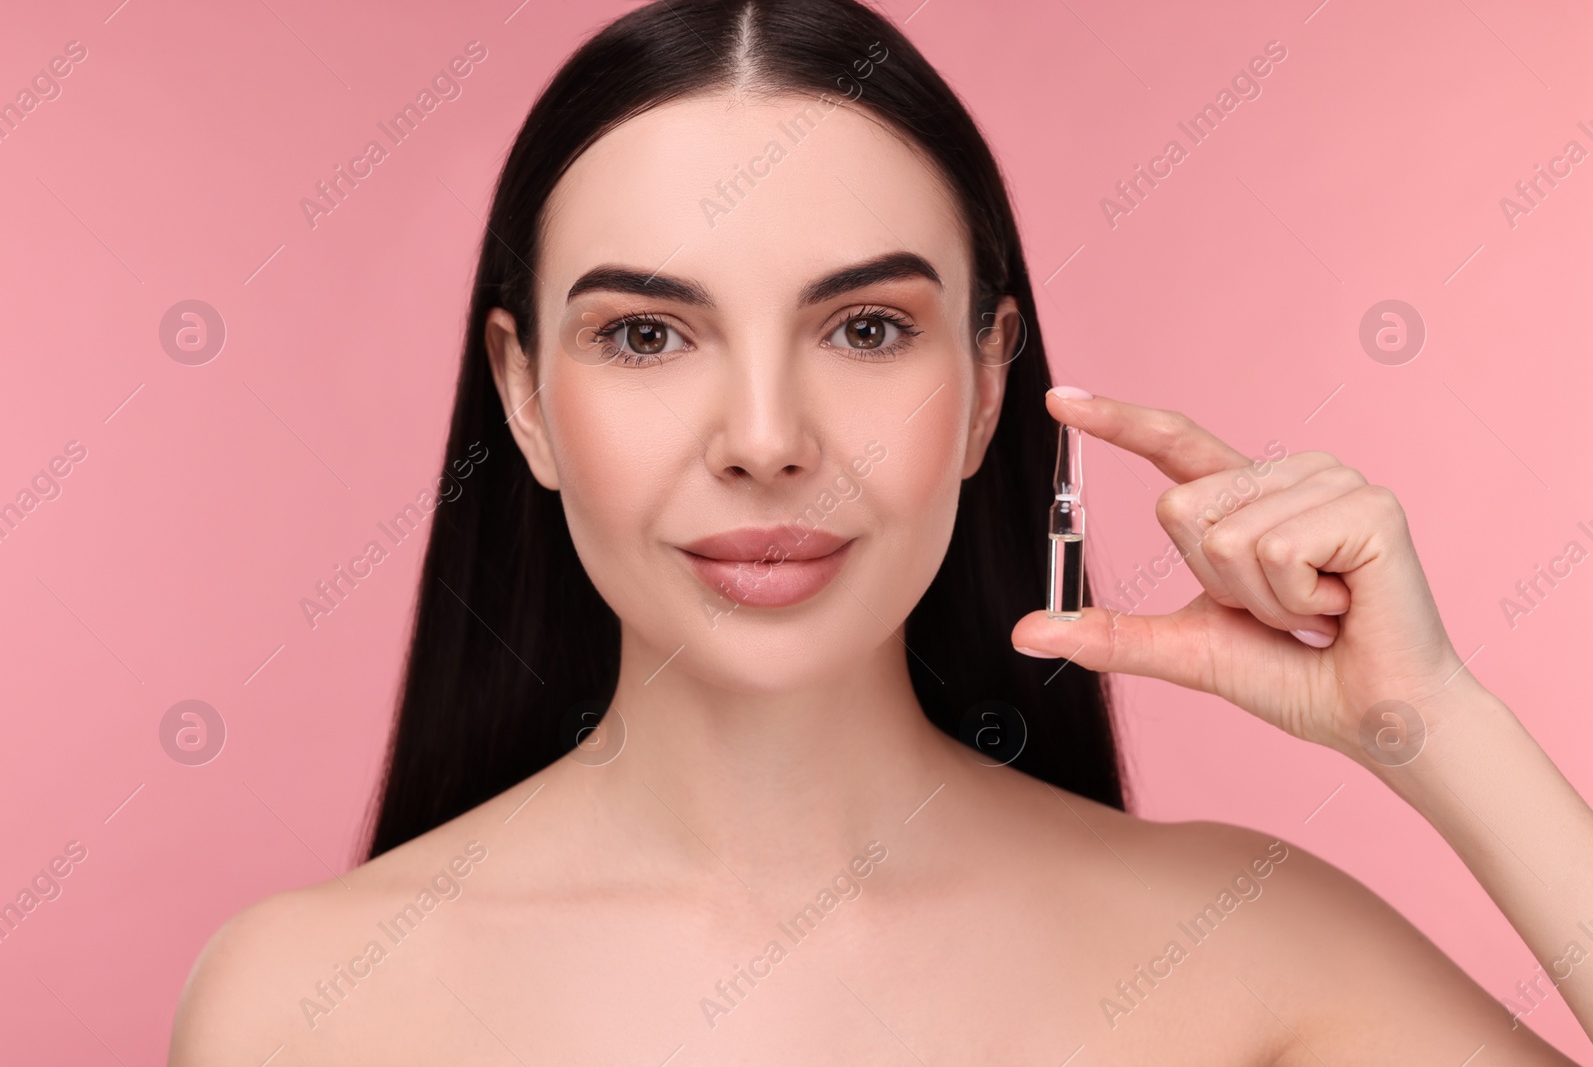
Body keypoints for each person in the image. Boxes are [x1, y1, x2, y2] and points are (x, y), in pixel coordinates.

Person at [169, 0, 1593, 1062]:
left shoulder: (1252, 951)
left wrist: (1433, 722)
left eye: (865, 327)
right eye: (648, 333)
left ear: (988, 385)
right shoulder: (306, 1006)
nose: (767, 435)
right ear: (524, 398)